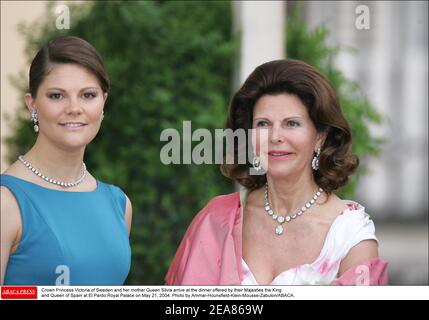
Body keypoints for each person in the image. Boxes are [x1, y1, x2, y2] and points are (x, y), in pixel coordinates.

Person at [166, 59, 388, 285]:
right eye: (263, 124)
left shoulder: (350, 236)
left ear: (320, 136)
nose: (275, 137)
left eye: (292, 123)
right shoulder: (216, 219)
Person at [1, 36, 132, 285]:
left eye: (88, 95)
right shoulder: (6, 203)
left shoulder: (119, 204)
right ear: (32, 104)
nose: (74, 108)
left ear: (103, 101)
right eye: (57, 96)